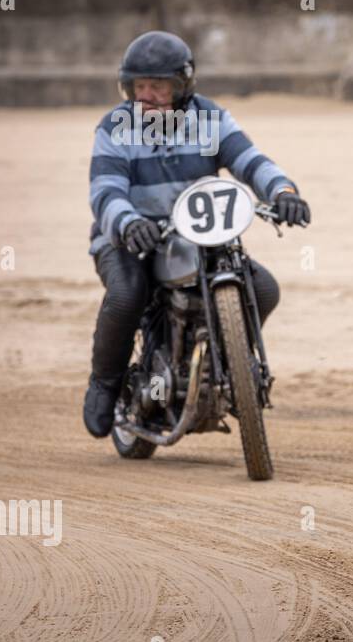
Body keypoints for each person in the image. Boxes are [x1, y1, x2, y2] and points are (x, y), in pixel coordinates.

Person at [83, 30, 311, 438]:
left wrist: (283, 191)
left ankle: (229, 365)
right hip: (131, 239)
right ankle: (104, 384)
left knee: (263, 290)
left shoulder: (212, 118)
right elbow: (105, 190)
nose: (147, 95)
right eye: (140, 86)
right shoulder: (115, 127)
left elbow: (250, 160)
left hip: (200, 237)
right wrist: (128, 221)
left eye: (159, 86)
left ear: (182, 86)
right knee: (126, 295)